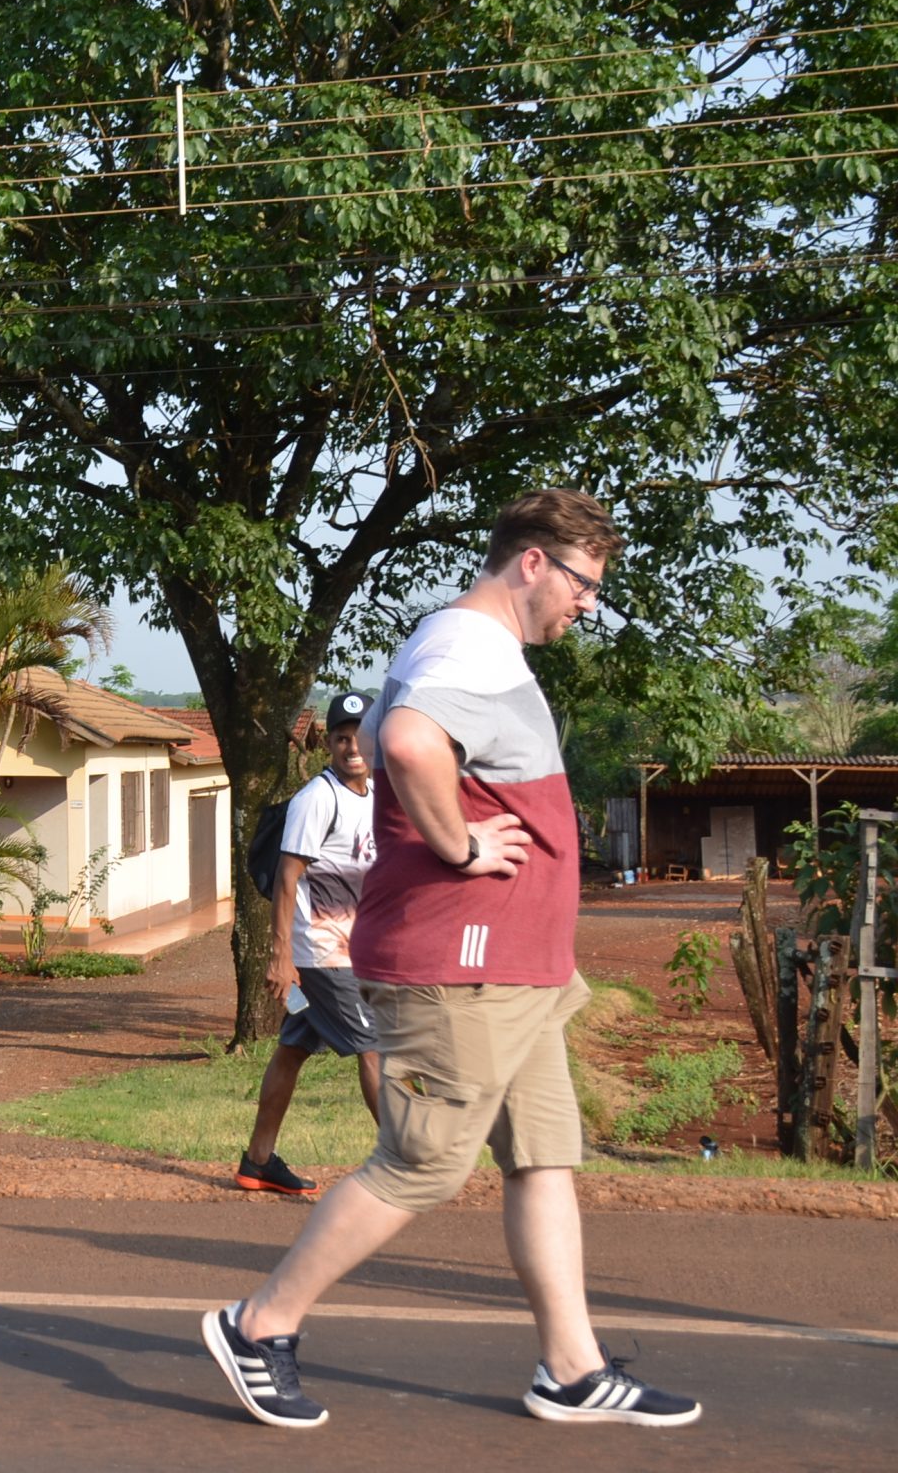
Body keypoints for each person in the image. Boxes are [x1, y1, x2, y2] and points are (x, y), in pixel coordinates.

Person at [204, 488, 701, 1430]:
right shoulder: (465, 644)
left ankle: (572, 1368)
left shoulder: (480, 648)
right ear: (534, 563)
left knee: (543, 1159)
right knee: (423, 1163)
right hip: (456, 967)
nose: (588, 605)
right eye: (586, 584)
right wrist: (465, 848)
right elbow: (409, 738)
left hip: (517, 972)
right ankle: (258, 1323)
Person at [234, 690, 383, 1196]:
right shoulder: (318, 798)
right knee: (375, 1049)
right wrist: (281, 956)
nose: (352, 747)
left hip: (345, 951)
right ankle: (404, 1166)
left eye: (360, 737)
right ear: (329, 746)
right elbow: (286, 878)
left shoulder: (376, 795)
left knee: (293, 1048)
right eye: (341, 738)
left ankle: (257, 1160)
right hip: (320, 956)